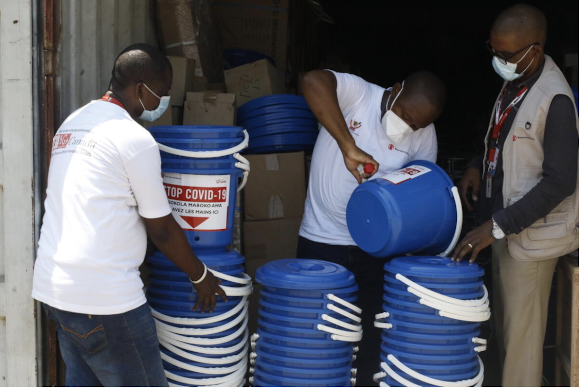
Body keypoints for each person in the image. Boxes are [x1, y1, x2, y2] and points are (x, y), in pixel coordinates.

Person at [32, 44, 226, 387]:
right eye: (161, 95)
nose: (161, 104)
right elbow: (162, 228)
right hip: (106, 300)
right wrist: (200, 276)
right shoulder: (134, 139)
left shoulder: (73, 123)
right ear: (140, 89)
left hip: (57, 289)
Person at [451, 4, 578, 386]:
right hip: (505, 230)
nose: (498, 60)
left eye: (506, 55)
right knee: (505, 332)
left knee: (520, 345)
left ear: (534, 51)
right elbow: (500, 139)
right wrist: (476, 162)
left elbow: (561, 182)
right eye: (494, 51)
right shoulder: (516, 82)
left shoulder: (554, 100)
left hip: (529, 240)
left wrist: (496, 226)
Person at [297, 69, 446, 385]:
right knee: (318, 333)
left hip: (378, 250)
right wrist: (348, 145)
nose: (407, 126)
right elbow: (311, 81)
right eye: (404, 115)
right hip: (322, 239)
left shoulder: (424, 135)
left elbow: (419, 194)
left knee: (372, 338)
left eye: (416, 124)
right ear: (394, 90)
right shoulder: (359, 94)